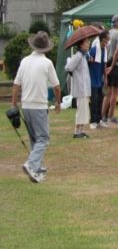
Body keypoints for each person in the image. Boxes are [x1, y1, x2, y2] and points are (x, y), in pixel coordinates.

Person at [11, 31, 61, 182]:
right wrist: (58, 102)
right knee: (43, 138)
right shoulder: (47, 63)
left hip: (26, 105)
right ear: (46, 47)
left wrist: (14, 103)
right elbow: (57, 86)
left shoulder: (25, 61)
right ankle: (31, 164)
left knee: (35, 137)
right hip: (39, 105)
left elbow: (16, 84)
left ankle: (37, 166)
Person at [65, 36, 93, 139]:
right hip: (81, 88)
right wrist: (73, 74)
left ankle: (81, 130)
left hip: (85, 88)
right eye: (86, 42)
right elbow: (68, 67)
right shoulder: (77, 56)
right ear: (81, 44)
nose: (88, 44)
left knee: (85, 110)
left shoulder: (83, 56)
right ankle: (76, 131)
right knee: (81, 110)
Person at [102, 14, 118, 126]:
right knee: (114, 94)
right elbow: (117, 51)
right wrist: (112, 66)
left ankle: (103, 116)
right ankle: (111, 116)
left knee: (108, 92)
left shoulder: (108, 33)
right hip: (115, 65)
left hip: (106, 63)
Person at [87, 31, 109, 129]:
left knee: (100, 99)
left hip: (99, 79)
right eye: (105, 39)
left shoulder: (105, 50)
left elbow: (104, 64)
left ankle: (99, 119)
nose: (106, 42)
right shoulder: (94, 49)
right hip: (92, 79)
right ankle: (93, 120)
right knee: (94, 101)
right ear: (102, 39)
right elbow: (88, 61)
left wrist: (105, 77)